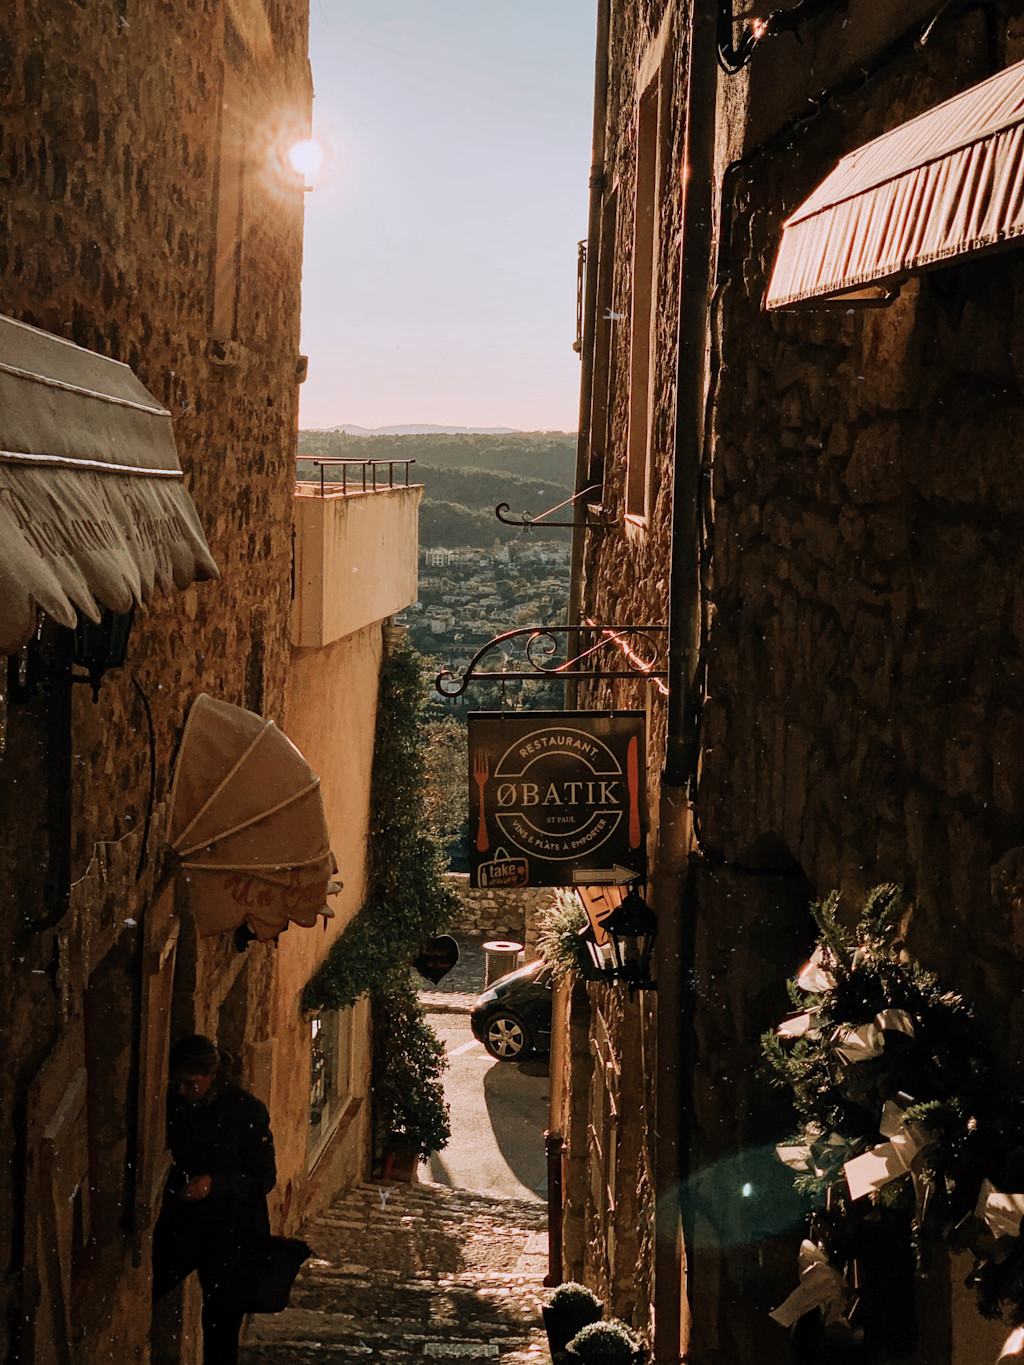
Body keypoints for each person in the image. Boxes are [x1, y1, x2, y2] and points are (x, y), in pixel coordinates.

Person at [152, 1034, 277, 1365]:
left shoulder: (246, 1111)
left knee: (221, 1330)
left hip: (232, 1234)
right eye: (178, 1083)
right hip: (188, 1225)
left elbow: (264, 1178)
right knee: (148, 1283)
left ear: (210, 1076)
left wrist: (216, 1185)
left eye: (190, 1084)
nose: (182, 1091)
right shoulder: (178, 1106)